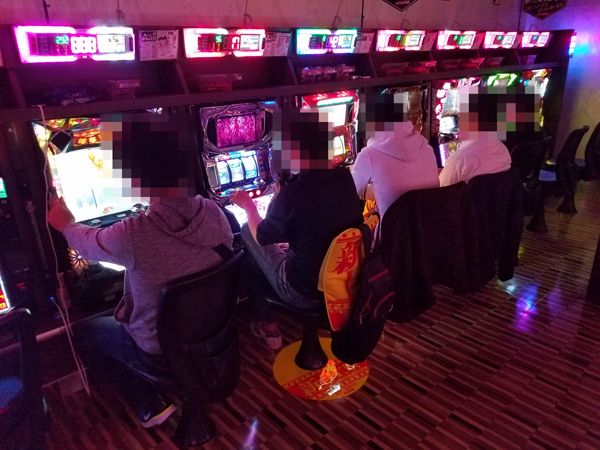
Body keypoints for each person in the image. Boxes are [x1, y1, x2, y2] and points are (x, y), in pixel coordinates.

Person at [47, 113, 233, 428]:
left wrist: (65, 223)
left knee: (83, 330)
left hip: (157, 349)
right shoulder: (212, 210)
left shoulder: (134, 233)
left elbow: (87, 245)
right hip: (212, 335)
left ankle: (147, 400)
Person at [230, 112, 363, 350]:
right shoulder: (345, 178)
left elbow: (262, 236)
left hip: (303, 290)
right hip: (343, 283)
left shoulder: (293, 193)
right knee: (255, 260)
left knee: (248, 232)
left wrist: (248, 206)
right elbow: (324, 227)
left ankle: (267, 324)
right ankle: (267, 322)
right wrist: (294, 246)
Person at [352, 93, 439, 217]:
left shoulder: (369, 155)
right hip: (430, 225)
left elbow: (348, 197)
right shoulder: (427, 148)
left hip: (393, 229)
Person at [438, 86, 517, 187]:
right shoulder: (503, 151)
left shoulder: (458, 160)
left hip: (464, 197)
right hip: (498, 197)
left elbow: (442, 190)